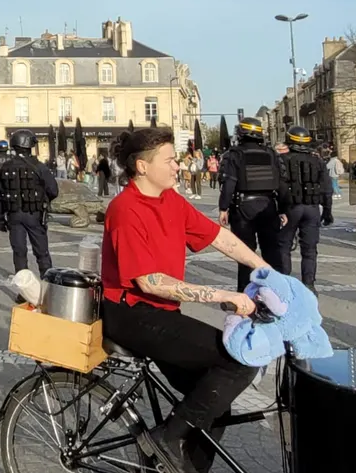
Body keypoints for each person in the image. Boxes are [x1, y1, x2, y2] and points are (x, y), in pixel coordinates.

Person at [100, 128, 268, 473]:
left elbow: (218, 236)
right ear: (142, 167)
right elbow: (150, 281)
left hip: (161, 312)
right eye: (170, 160)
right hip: (132, 314)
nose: (178, 166)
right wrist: (222, 295)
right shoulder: (125, 209)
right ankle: (164, 439)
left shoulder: (170, 201)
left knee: (215, 404)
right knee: (238, 361)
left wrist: (266, 270)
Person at [217, 117, 285, 290]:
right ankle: (277, 292)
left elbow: (229, 183)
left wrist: (223, 208)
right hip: (269, 206)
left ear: (241, 134)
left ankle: (246, 294)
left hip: (242, 209)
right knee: (272, 252)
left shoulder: (235, 154)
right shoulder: (271, 154)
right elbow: (282, 184)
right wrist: (283, 209)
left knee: (245, 254)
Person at [0, 129, 58, 289]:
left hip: (14, 215)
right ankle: (48, 289)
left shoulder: (5, 167)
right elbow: (54, 190)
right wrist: (42, 199)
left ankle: (23, 291)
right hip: (34, 214)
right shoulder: (39, 167)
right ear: (31, 145)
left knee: (19, 253)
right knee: (42, 253)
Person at [277, 126, 333, 291]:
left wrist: (278, 210)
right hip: (312, 208)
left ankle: (285, 284)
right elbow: (326, 188)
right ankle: (309, 285)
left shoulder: (280, 160)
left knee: (283, 246)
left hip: (289, 209)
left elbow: (277, 187)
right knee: (309, 249)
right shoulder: (318, 161)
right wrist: (328, 210)